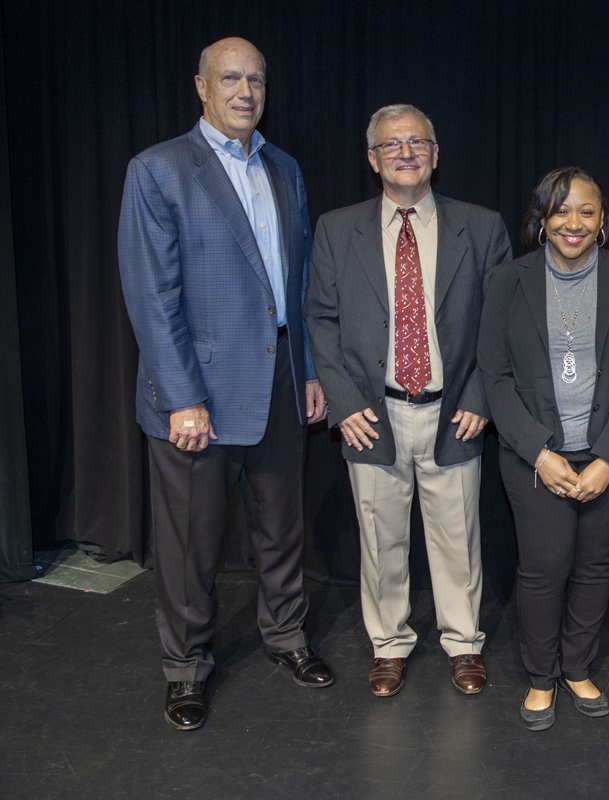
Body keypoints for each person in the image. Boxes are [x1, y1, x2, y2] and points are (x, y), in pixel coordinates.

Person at [118, 37, 332, 732]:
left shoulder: (284, 168)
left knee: (282, 527)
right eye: (231, 78)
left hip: (280, 377)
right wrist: (183, 397)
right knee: (190, 544)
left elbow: (300, 282)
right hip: (198, 393)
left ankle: (287, 636)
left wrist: (308, 370)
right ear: (201, 87)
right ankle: (185, 667)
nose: (246, 91)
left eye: (256, 80)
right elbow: (153, 296)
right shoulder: (158, 170)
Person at [305, 104, 511, 699]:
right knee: (381, 539)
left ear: (435, 154)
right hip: (372, 414)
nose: (405, 153)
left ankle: (464, 642)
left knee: (458, 538)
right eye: (391, 145)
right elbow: (320, 319)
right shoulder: (336, 229)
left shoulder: (481, 227)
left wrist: (481, 395)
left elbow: (502, 321)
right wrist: (344, 403)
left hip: (455, 412)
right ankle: (389, 645)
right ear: (373, 160)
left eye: (417, 142)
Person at [478, 167, 609, 731]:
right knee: (543, 568)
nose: (573, 223)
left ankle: (577, 668)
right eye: (561, 210)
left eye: (586, 211)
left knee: (595, 565)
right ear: (542, 218)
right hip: (535, 455)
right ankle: (540, 677)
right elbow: (495, 376)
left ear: (602, 219)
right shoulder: (509, 280)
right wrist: (539, 452)